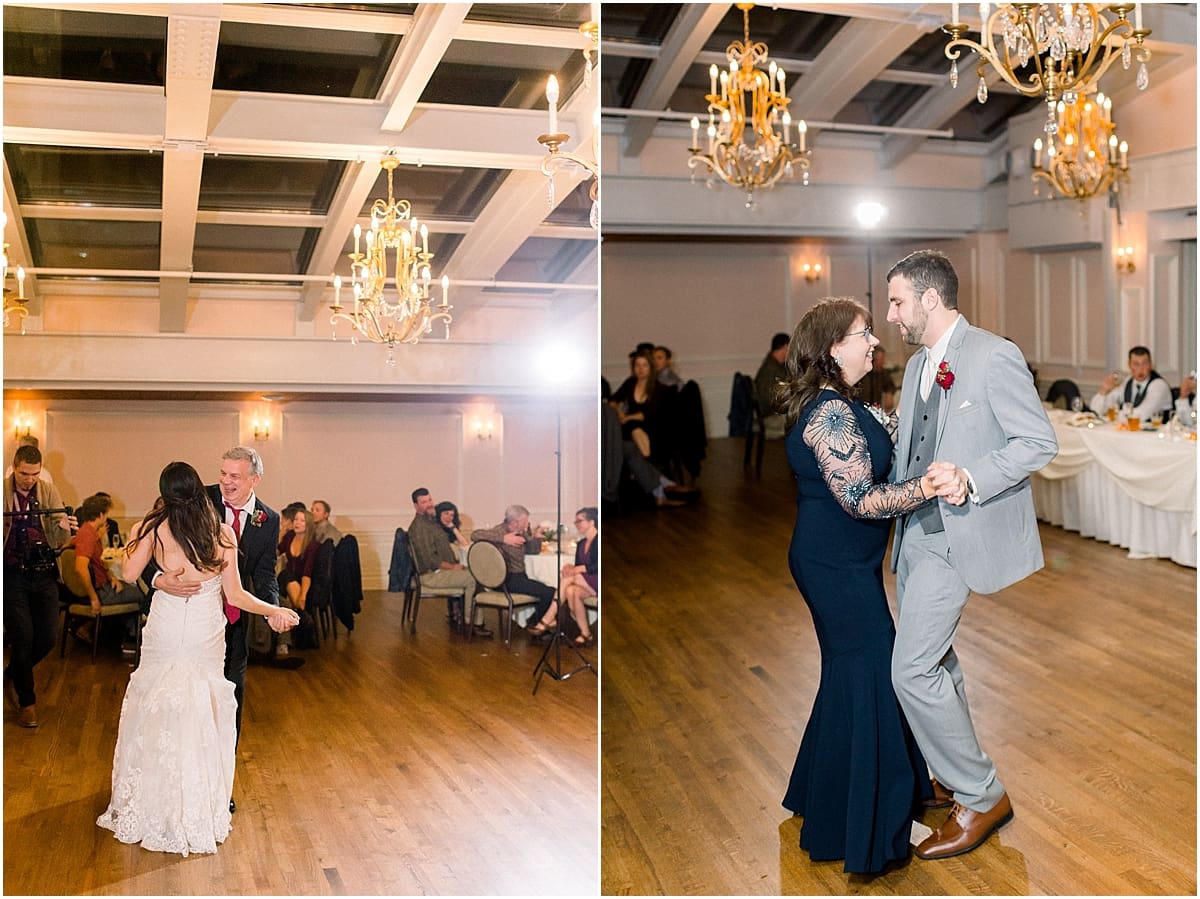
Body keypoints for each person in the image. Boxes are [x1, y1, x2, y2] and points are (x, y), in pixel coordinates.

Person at [777, 298, 963, 874]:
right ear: (833, 348)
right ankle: (861, 823)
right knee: (871, 672)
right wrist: (928, 489)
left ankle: (830, 792)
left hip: (847, 564)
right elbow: (861, 500)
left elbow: (905, 431)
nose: (873, 344)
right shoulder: (830, 416)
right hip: (833, 565)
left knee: (851, 676)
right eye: (863, 335)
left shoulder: (845, 405)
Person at [885, 249, 1058, 860]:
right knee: (939, 664)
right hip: (914, 537)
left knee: (910, 670)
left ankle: (983, 796)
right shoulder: (913, 368)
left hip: (960, 536)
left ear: (930, 299)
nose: (892, 313)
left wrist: (973, 477)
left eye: (898, 301)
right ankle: (950, 774)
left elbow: (1038, 441)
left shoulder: (992, 355)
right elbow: (910, 446)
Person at [96, 461, 299, 856]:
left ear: (165, 493)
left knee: (156, 705)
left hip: (168, 625)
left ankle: (152, 801)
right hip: (205, 631)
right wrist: (273, 611)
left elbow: (125, 570)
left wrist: (158, 578)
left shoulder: (152, 527)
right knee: (201, 709)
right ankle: (195, 806)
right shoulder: (220, 534)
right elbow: (237, 597)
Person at [146, 446, 293, 803]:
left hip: (234, 622)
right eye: (224, 473)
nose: (226, 482)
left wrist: (272, 609)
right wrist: (157, 579)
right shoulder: (198, 499)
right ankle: (174, 780)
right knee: (186, 701)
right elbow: (152, 541)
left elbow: (263, 572)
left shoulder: (268, 519)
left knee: (229, 703)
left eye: (235, 476)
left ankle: (218, 786)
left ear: (254, 480)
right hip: (193, 619)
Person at [3, 444, 76, 728]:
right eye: (24, 473)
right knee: (22, 638)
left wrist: (65, 525)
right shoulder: (3, 492)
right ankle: (27, 702)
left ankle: (13, 673)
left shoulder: (47, 491)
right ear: (15, 467)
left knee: (47, 637)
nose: (29, 479)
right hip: (11, 574)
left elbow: (59, 539)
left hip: (43, 572)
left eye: (34, 474)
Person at [408, 488, 490, 638]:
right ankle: (470, 623)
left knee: (474, 572)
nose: (429, 504)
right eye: (424, 502)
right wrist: (453, 567)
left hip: (440, 571)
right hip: (431, 575)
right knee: (473, 578)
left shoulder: (430, 522)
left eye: (430, 500)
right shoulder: (420, 528)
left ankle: (464, 617)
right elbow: (430, 560)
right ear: (416, 505)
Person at [67, 494, 144, 643]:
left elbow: (69, 547)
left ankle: (126, 635)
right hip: (101, 592)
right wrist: (93, 598)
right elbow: (81, 568)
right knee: (142, 595)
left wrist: (111, 576)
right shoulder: (87, 536)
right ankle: (132, 638)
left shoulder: (86, 532)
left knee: (130, 589)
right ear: (101, 514)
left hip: (103, 586)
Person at [471, 505, 558, 636]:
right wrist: (504, 539)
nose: (526, 524)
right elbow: (475, 535)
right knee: (549, 593)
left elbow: (532, 550)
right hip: (506, 579)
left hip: (519, 577)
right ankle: (537, 625)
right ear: (514, 522)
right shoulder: (499, 531)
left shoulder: (521, 532)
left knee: (545, 590)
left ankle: (537, 624)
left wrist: (538, 536)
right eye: (524, 521)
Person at [1089, 345, 1174, 422]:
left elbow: (1142, 414)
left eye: (1144, 363)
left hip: (1156, 436)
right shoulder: (1128, 381)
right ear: (1129, 365)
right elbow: (1096, 411)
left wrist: (1116, 414)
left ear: (1150, 364)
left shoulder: (1159, 385)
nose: (1141, 369)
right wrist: (1103, 391)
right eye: (1136, 364)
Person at [276, 506, 318, 660]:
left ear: (308, 524)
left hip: (304, 582)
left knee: (290, 578)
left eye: (302, 520)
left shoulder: (312, 545)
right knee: (287, 575)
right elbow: (276, 552)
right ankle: (302, 616)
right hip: (286, 579)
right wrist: (281, 531)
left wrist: (303, 595)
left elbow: (307, 573)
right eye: (295, 520)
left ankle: (298, 613)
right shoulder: (289, 537)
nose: (297, 523)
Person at [559, 507, 598, 646]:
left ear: (592, 522)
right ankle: (585, 633)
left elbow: (596, 567)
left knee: (569, 579)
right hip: (587, 582)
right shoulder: (581, 543)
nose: (576, 524)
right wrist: (571, 568)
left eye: (579, 521)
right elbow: (579, 566)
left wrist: (578, 569)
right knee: (571, 591)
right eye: (576, 521)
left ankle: (549, 615)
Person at [754, 332, 791, 437]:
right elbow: (767, 399)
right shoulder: (771, 369)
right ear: (785, 346)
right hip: (770, 417)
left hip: (771, 414)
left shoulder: (775, 365)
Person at [858, 345, 897, 412]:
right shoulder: (861, 374)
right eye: (881, 360)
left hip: (875, 410)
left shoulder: (882, 373)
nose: (884, 363)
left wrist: (889, 394)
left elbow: (889, 384)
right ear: (873, 360)